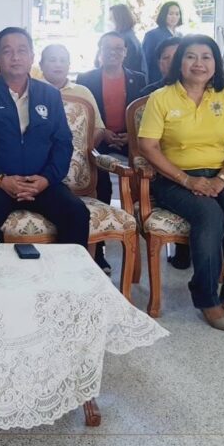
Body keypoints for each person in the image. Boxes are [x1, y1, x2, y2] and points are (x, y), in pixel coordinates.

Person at [137, 35, 224, 334]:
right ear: (180, 63)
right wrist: (187, 179)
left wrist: (221, 179)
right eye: (191, 56)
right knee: (210, 215)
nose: (199, 63)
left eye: (206, 57)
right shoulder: (161, 98)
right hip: (174, 178)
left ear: (215, 63)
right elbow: (148, 146)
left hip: (221, 173)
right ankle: (205, 296)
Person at [0, 28, 90, 250]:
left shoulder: (50, 95)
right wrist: (0, 179)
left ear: (31, 57)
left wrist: (46, 179)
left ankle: (66, 272)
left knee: (76, 213)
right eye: (7, 51)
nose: (15, 57)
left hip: (41, 182)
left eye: (22, 51)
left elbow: (63, 143)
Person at [77, 32, 147, 272]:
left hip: (131, 139)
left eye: (119, 48)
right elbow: (85, 117)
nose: (113, 52)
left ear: (125, 52)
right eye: (108, 48)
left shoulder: (139, 79)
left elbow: (144, 116)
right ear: (100, 50)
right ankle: (99, 247)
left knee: (142, 177)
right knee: (101, 182)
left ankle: (137, 228)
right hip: (99, 138)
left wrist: (131, 135)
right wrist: (104, 132)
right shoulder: (86, 78)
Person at [139, 35, 189, 270]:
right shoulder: (150, 95)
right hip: (161, 166)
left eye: (178, 56)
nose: (173, 62)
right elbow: (144, 142)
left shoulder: (206, 93)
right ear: (159, 63)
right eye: (166, 58)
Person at [40, 43, 105, 148]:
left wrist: (83, 149)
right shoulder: (31, 91)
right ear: (41, 65)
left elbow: (99, 128)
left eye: (63, 60)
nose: (58, 65)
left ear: (69, 65)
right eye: (52, 60)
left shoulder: (83, 92)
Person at [142, 1, 182, 83]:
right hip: (157, 79)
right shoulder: (152, 35)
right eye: (171, 14)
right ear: (164, 15)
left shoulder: (180, 36)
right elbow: (146, 61)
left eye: (177, 14)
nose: (174, 17)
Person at [109, 4, 144, 75]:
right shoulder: (130, 35)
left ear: (119, 19)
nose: (109, 21)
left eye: (111, 18)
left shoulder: (124, 39)